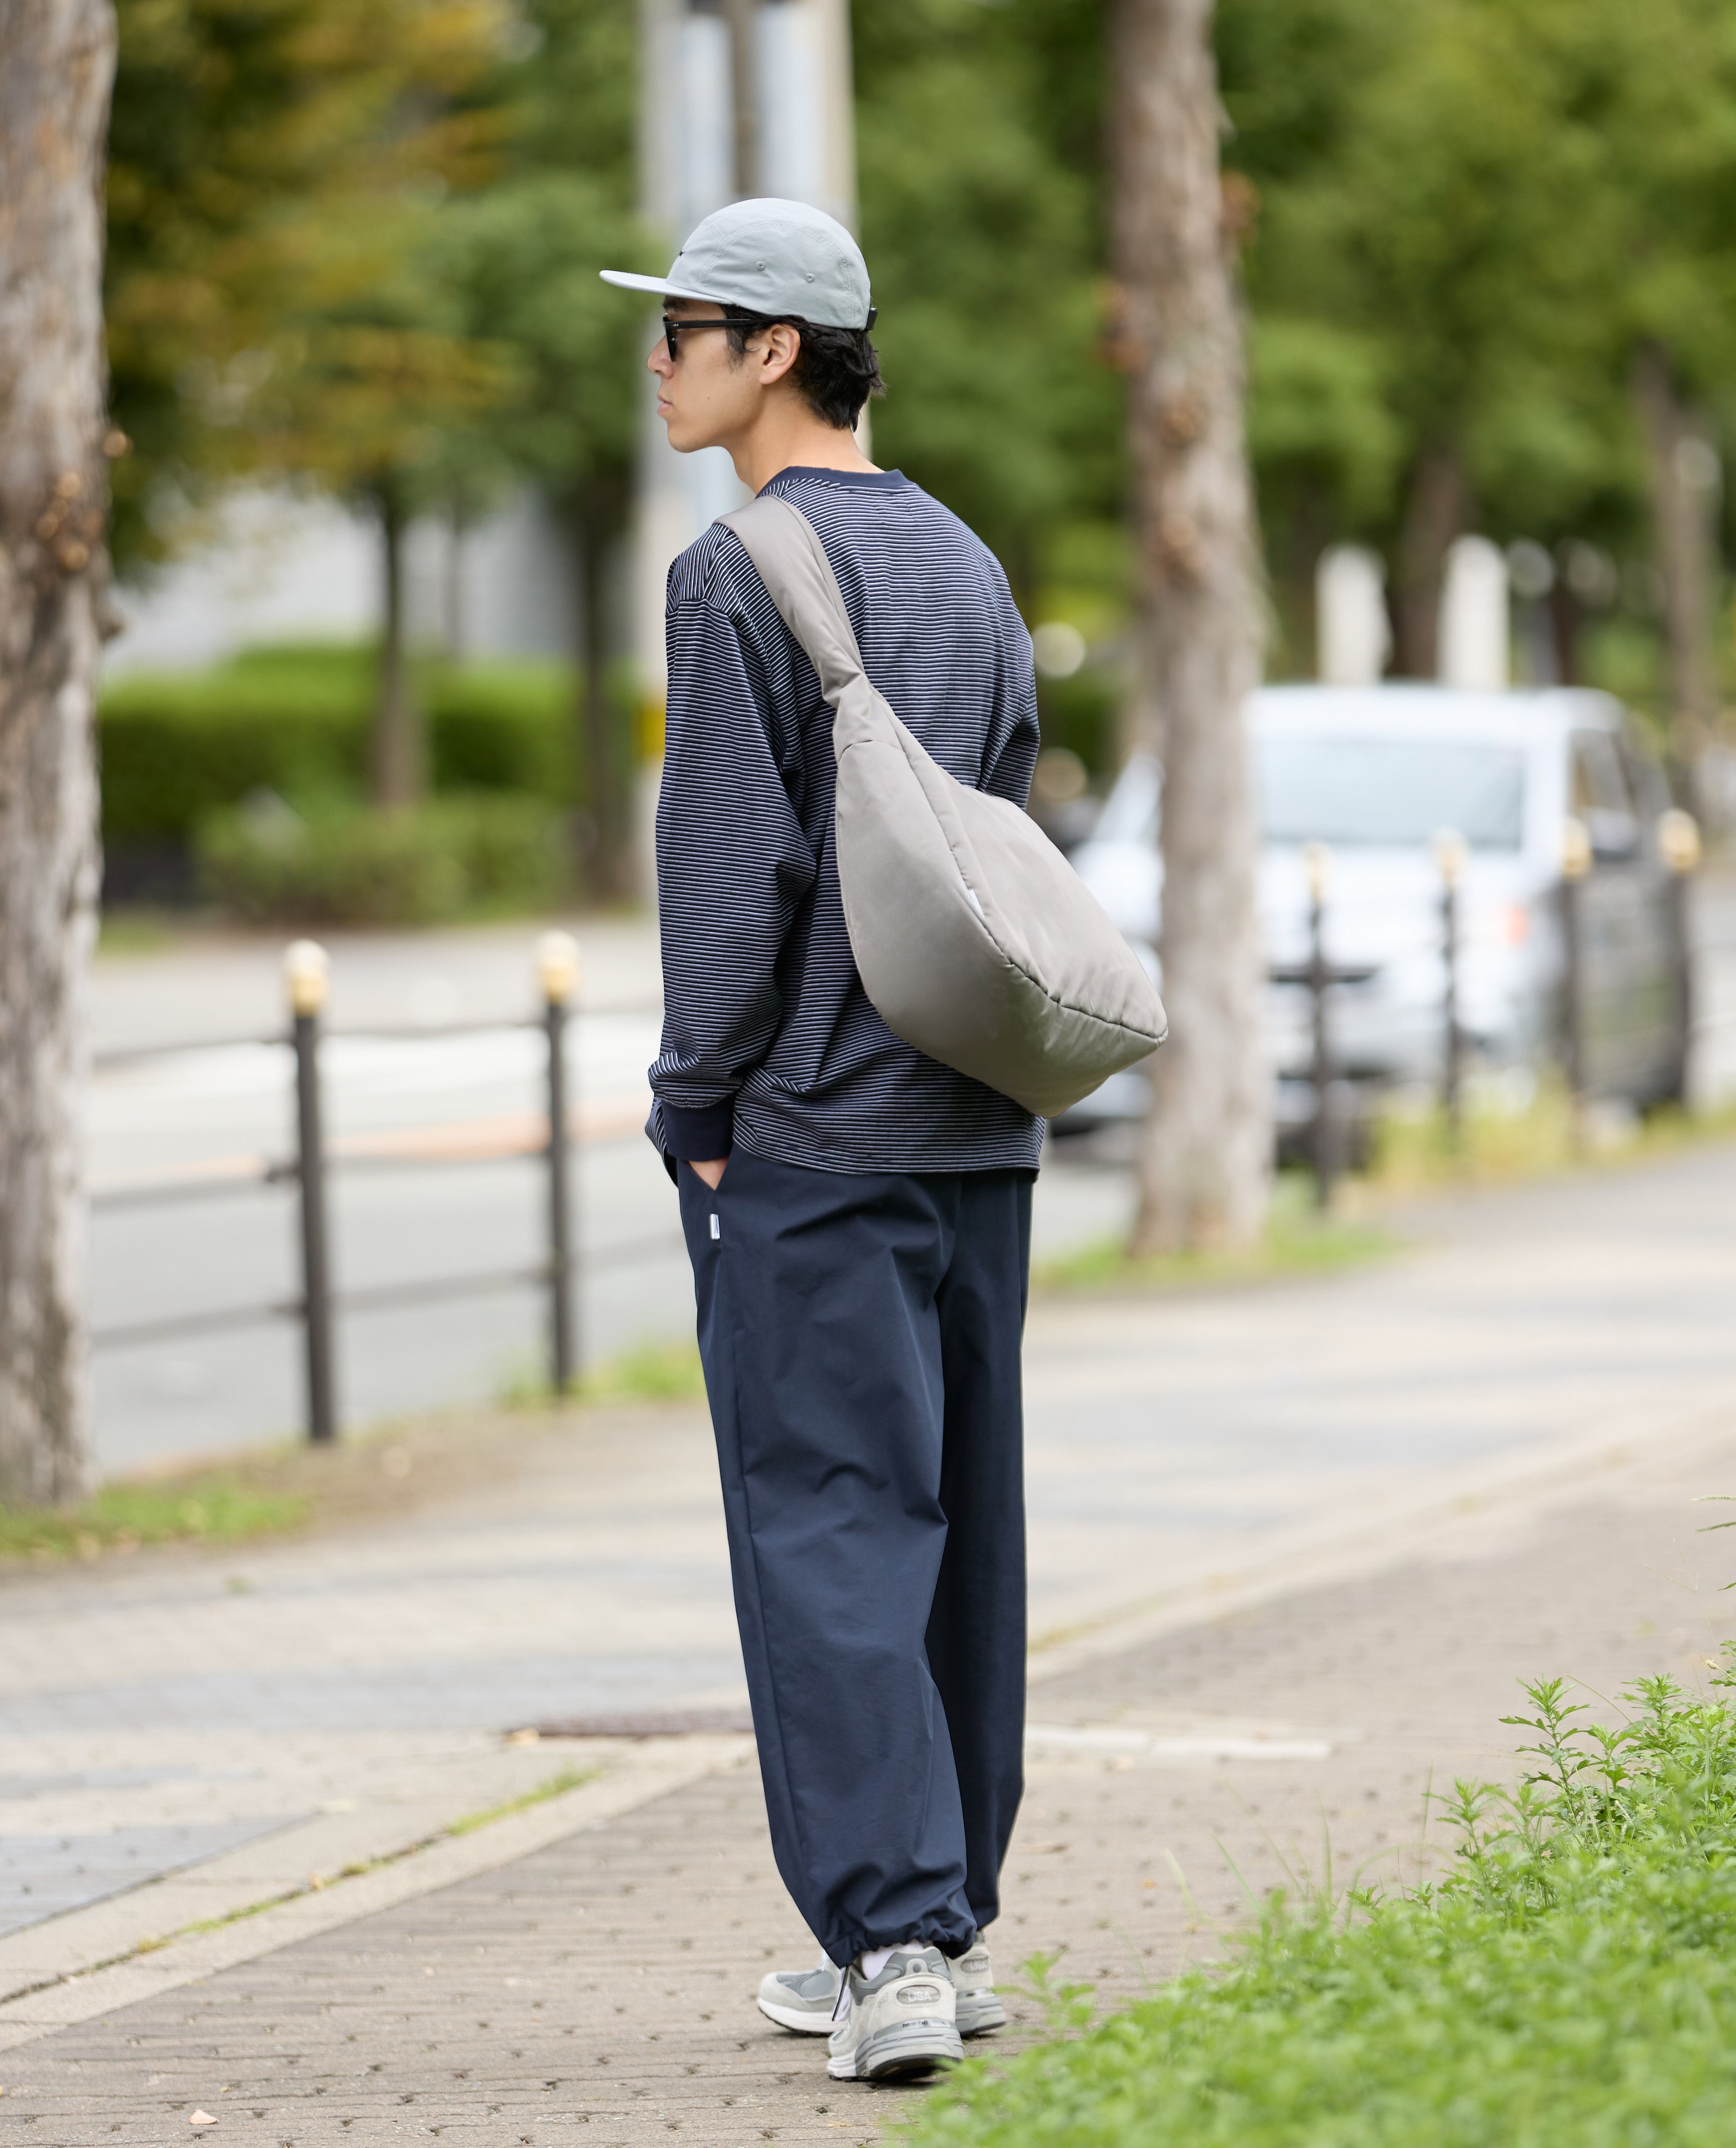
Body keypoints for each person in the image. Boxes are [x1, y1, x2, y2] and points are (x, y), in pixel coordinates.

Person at [601, 198, 1041, 2085]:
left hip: (810, 1136)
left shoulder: (737, 571)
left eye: (683, 326)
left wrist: (694, 1103)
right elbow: (1002, 817)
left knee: (828, 1529)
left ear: (771, 348)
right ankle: (937, 1915)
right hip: (975, 1124)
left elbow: (730, 876)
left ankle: (885, 1937)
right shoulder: (965, 558)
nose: (659, 358)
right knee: (959, 1530)